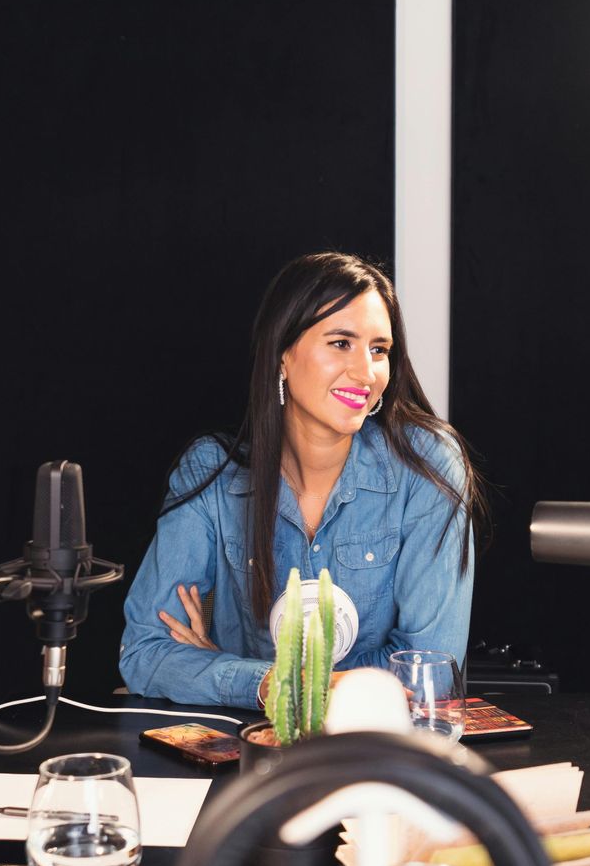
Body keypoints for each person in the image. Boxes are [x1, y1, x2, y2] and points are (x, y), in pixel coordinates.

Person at [119, 251, 488, 708]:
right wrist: (276, 684)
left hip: (376, 754)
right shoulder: (211, 472)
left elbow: (430, 673)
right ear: (282, 356)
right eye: (340, 343)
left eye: (379, 350)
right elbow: (145, 653)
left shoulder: (427, 467)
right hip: (247, 755)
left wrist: (246, 677)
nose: (366, 372)